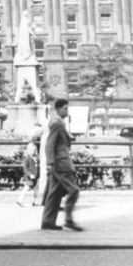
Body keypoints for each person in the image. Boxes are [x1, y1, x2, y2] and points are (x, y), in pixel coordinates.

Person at [41, 98, 83, 231]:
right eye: (65, 108)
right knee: (74, 191)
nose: (67, 111)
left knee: (54, 193)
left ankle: (47, 222)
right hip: (61, 164)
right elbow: (50, 143)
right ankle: (68, 219)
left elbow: (57, 141)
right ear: (58, 109)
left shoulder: (58, 123)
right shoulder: (57, 123)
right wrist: (50, 162)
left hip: (58, 163)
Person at [16, 127, 42, 207]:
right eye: (32, 149)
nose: (34, 150)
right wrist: (29, 174)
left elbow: (38, 166)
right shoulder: (27, 158)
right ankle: (20, 200)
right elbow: (25, 168)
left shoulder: (36, 158)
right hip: (29, 176)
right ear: (28, 150)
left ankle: (35, 202)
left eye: (34, 149)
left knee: (36, 189)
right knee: (26, 188)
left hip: (36, 176)